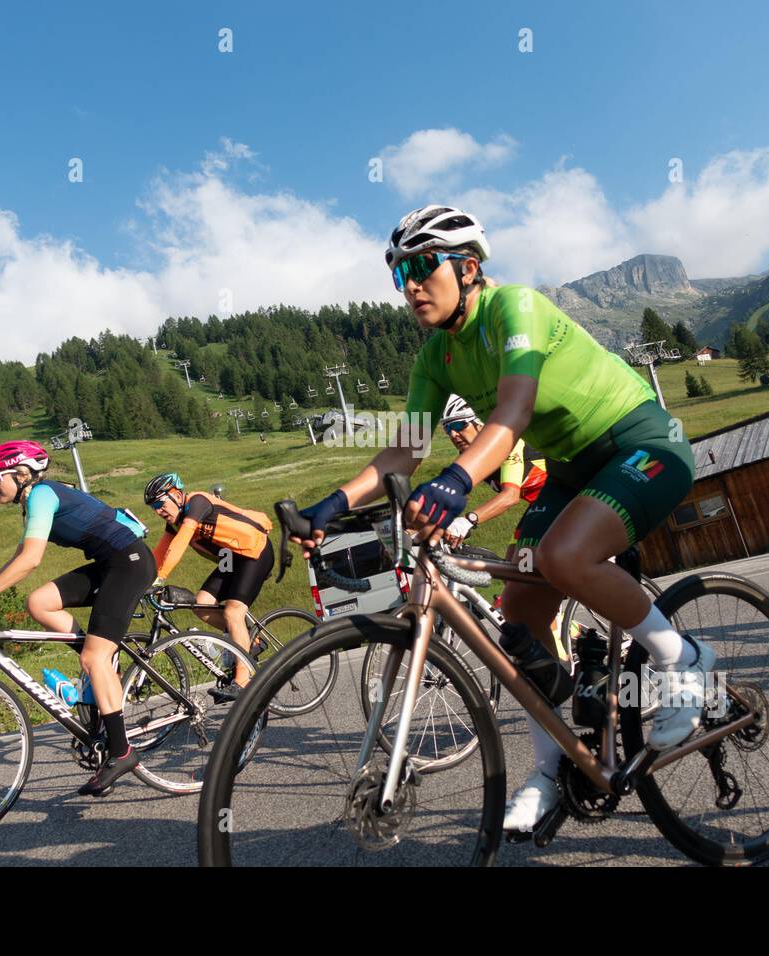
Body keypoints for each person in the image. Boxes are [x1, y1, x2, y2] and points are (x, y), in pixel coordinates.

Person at [291, 205, 699, 831]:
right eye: (400, 273)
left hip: (642, 442)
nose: (410, 285)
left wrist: (458, 480)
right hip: (569, 469)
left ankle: (683, 660)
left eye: (423, 266)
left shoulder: (517, 308)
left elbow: (513, 409)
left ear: (469, 267)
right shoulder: (436, 356)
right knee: (519, 618)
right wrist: (335, 502)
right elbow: (405, 448)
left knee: (564, 557)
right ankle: (551, 768)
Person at [0, 441, 155, 797]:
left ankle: (122, 750)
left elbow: (31, 560)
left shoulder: (42, 495)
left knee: (93, 657)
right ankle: (100, 662)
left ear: (20, 474)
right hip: (109, 564)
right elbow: (19, 557)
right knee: (39, 602)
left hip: (129, 563)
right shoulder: (35, 500)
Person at [143, 473, 274, 703]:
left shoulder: (197, 503)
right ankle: (250, 641)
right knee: (201, 604)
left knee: (233, 613)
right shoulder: (175, 521)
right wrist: (142, 580)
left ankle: (242, 682)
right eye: (153, 507)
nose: (157, 511)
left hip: (255, 551)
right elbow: (160, 553)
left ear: (175, 495)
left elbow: (181, 542)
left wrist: (160, 578)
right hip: (232, 558)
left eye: (159, 504)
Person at [439, 395, 548, 550]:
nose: (453, 435)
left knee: (526, 559)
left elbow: (510, 496)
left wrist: (468, 521)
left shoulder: (508, 442)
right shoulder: (471, 458)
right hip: (541, 505)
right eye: (447, 428)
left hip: (569, 498)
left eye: (459, 425)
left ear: (481, 423)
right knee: (515, 560)